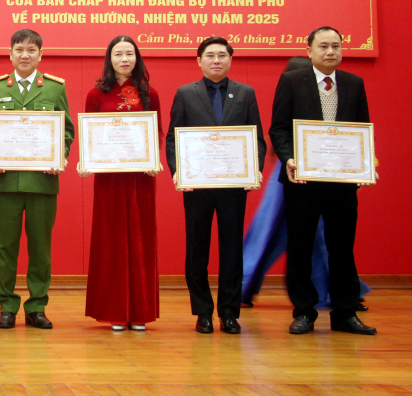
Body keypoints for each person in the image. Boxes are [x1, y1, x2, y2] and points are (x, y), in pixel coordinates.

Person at [269, 26, 376, 335]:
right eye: (324, 46)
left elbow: (362, 130)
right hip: (302, 181)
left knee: (342, 248)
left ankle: (345, 313)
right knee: (300, 247)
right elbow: (278, 128)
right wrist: (289, 157)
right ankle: (304, 312)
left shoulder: (354, 84)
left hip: (342, 182)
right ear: (310, 51)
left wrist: (366, 165)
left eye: (336, 46)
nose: (331, 52)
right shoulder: (291, 82)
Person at [241, 56, 371, 310]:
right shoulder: (292, 85)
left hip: (323, 168)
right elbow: (279, 129)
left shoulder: (345, 87)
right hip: (294, 167)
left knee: (311, 234)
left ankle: (339, 292)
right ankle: (246, 285)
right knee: (286, 232)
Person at [166, 36, 266, 335]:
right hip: (197, 187)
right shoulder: (186, 93)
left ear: (230, 60)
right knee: (197, 249)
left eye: (222, 55)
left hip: (234, 187)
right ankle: (203, 312)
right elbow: (173, 137)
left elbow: (257, 137)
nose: (216, 60)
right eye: (210, 55)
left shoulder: (245, 93)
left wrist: (254, 169)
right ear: (199, 61)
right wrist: (178, 171)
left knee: (232, 250)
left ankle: (230, 312)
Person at [0, 28, 73, 330]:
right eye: (19, 49)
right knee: (5, 247)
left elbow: (66, 129)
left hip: (43, 182)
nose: (25, 55)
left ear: (40, 54)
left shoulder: (54, 89)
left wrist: (61, 157)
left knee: (41, 248)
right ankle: (6, 305)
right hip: (5, 182)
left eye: (31, 50)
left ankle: (37, 306)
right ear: (10, 54)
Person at [79, 35, 162, 332]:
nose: (124, 59)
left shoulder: (149, 93)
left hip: (141, 179)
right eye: (118, 54)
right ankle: (114, 309)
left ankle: (140, 311)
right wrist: (85, 160)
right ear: (109, 58)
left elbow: (158, 133)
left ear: (137, 58)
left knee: (141, 240)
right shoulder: (95, 94)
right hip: (109, 180)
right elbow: (89, 136)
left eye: (130, 53)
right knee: (110, 240)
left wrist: (155, 159)